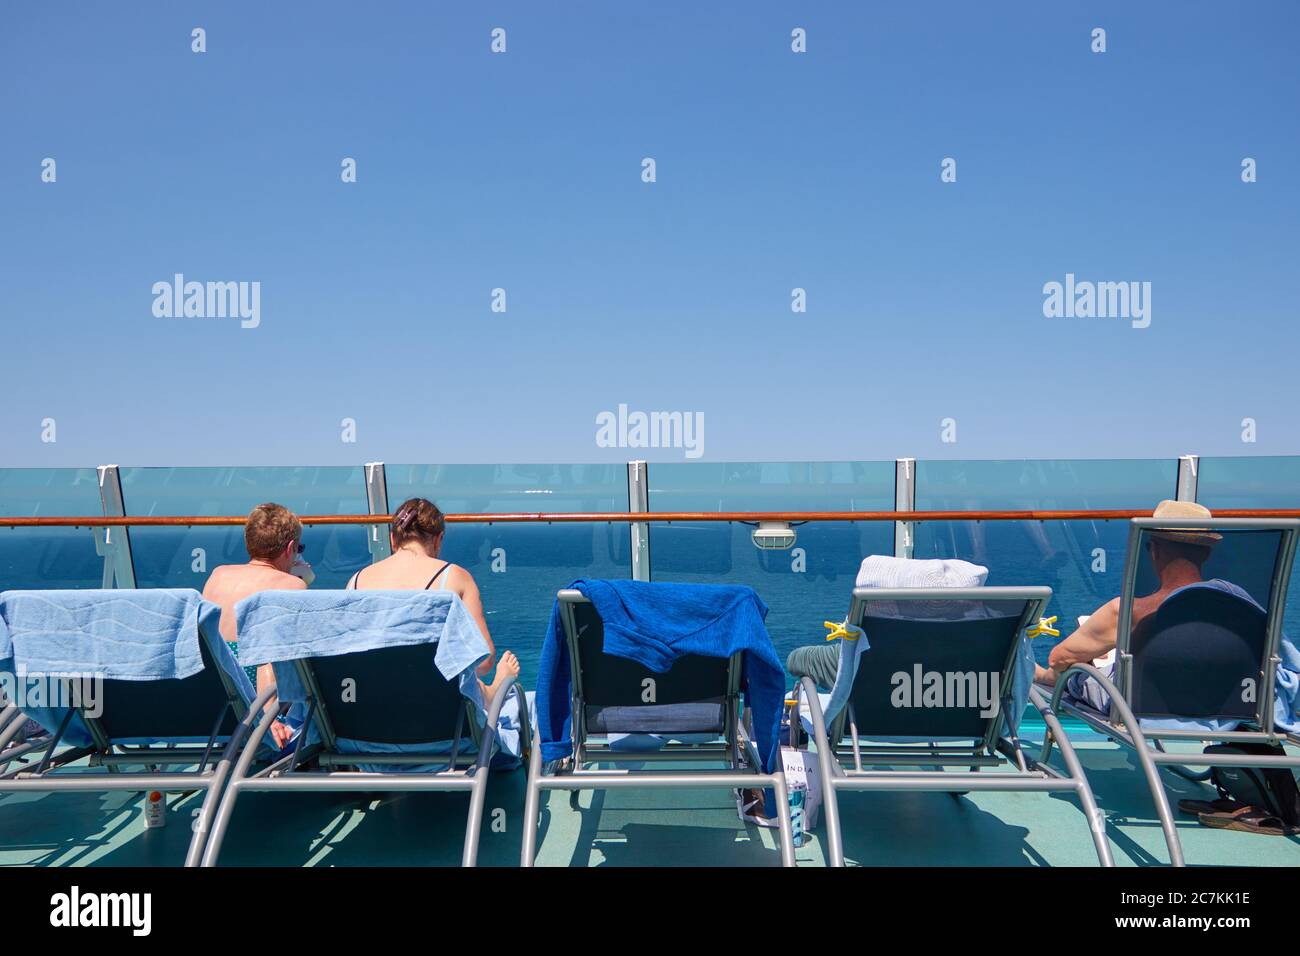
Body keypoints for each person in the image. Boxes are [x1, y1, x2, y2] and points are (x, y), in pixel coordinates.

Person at [348, 497, 519, 705]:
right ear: (438, 540)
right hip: (435, 713)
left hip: (369, 706)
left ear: (393, 539)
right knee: (467, 683)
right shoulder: (455, 577)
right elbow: (483, 661)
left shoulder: (356, 581)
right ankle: (493, 692)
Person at [1034, 499, 1221, 689]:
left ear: (1153, 551)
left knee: (1074, 668)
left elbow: (1058, 658)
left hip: (1146, 705)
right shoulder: (1235, 606)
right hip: (1217, 706)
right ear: (1208, 553)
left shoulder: (1127, 613)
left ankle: (1044, 677)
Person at [201, 502, 312, 748]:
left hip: (219, 700)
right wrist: (303, 581)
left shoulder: (218, 575)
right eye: (299, 548)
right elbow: (282, 660)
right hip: (261, 705)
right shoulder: (291, 586)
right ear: (291, 548)